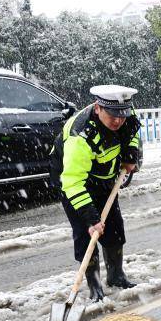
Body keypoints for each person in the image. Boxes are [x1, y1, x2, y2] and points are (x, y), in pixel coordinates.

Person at [50, 85, 141, 301]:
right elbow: (72, 182)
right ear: (98, 108)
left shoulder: (124, 112)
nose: (119, 120)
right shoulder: (80, 137)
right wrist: (91, 219)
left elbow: (132, 132)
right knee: (86, 233)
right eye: (113, 116)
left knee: (114, 227)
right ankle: (94, 285)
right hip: (73, 181)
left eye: (122, 115)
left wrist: (130, 154)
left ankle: (116, 276)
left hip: (104, 178)